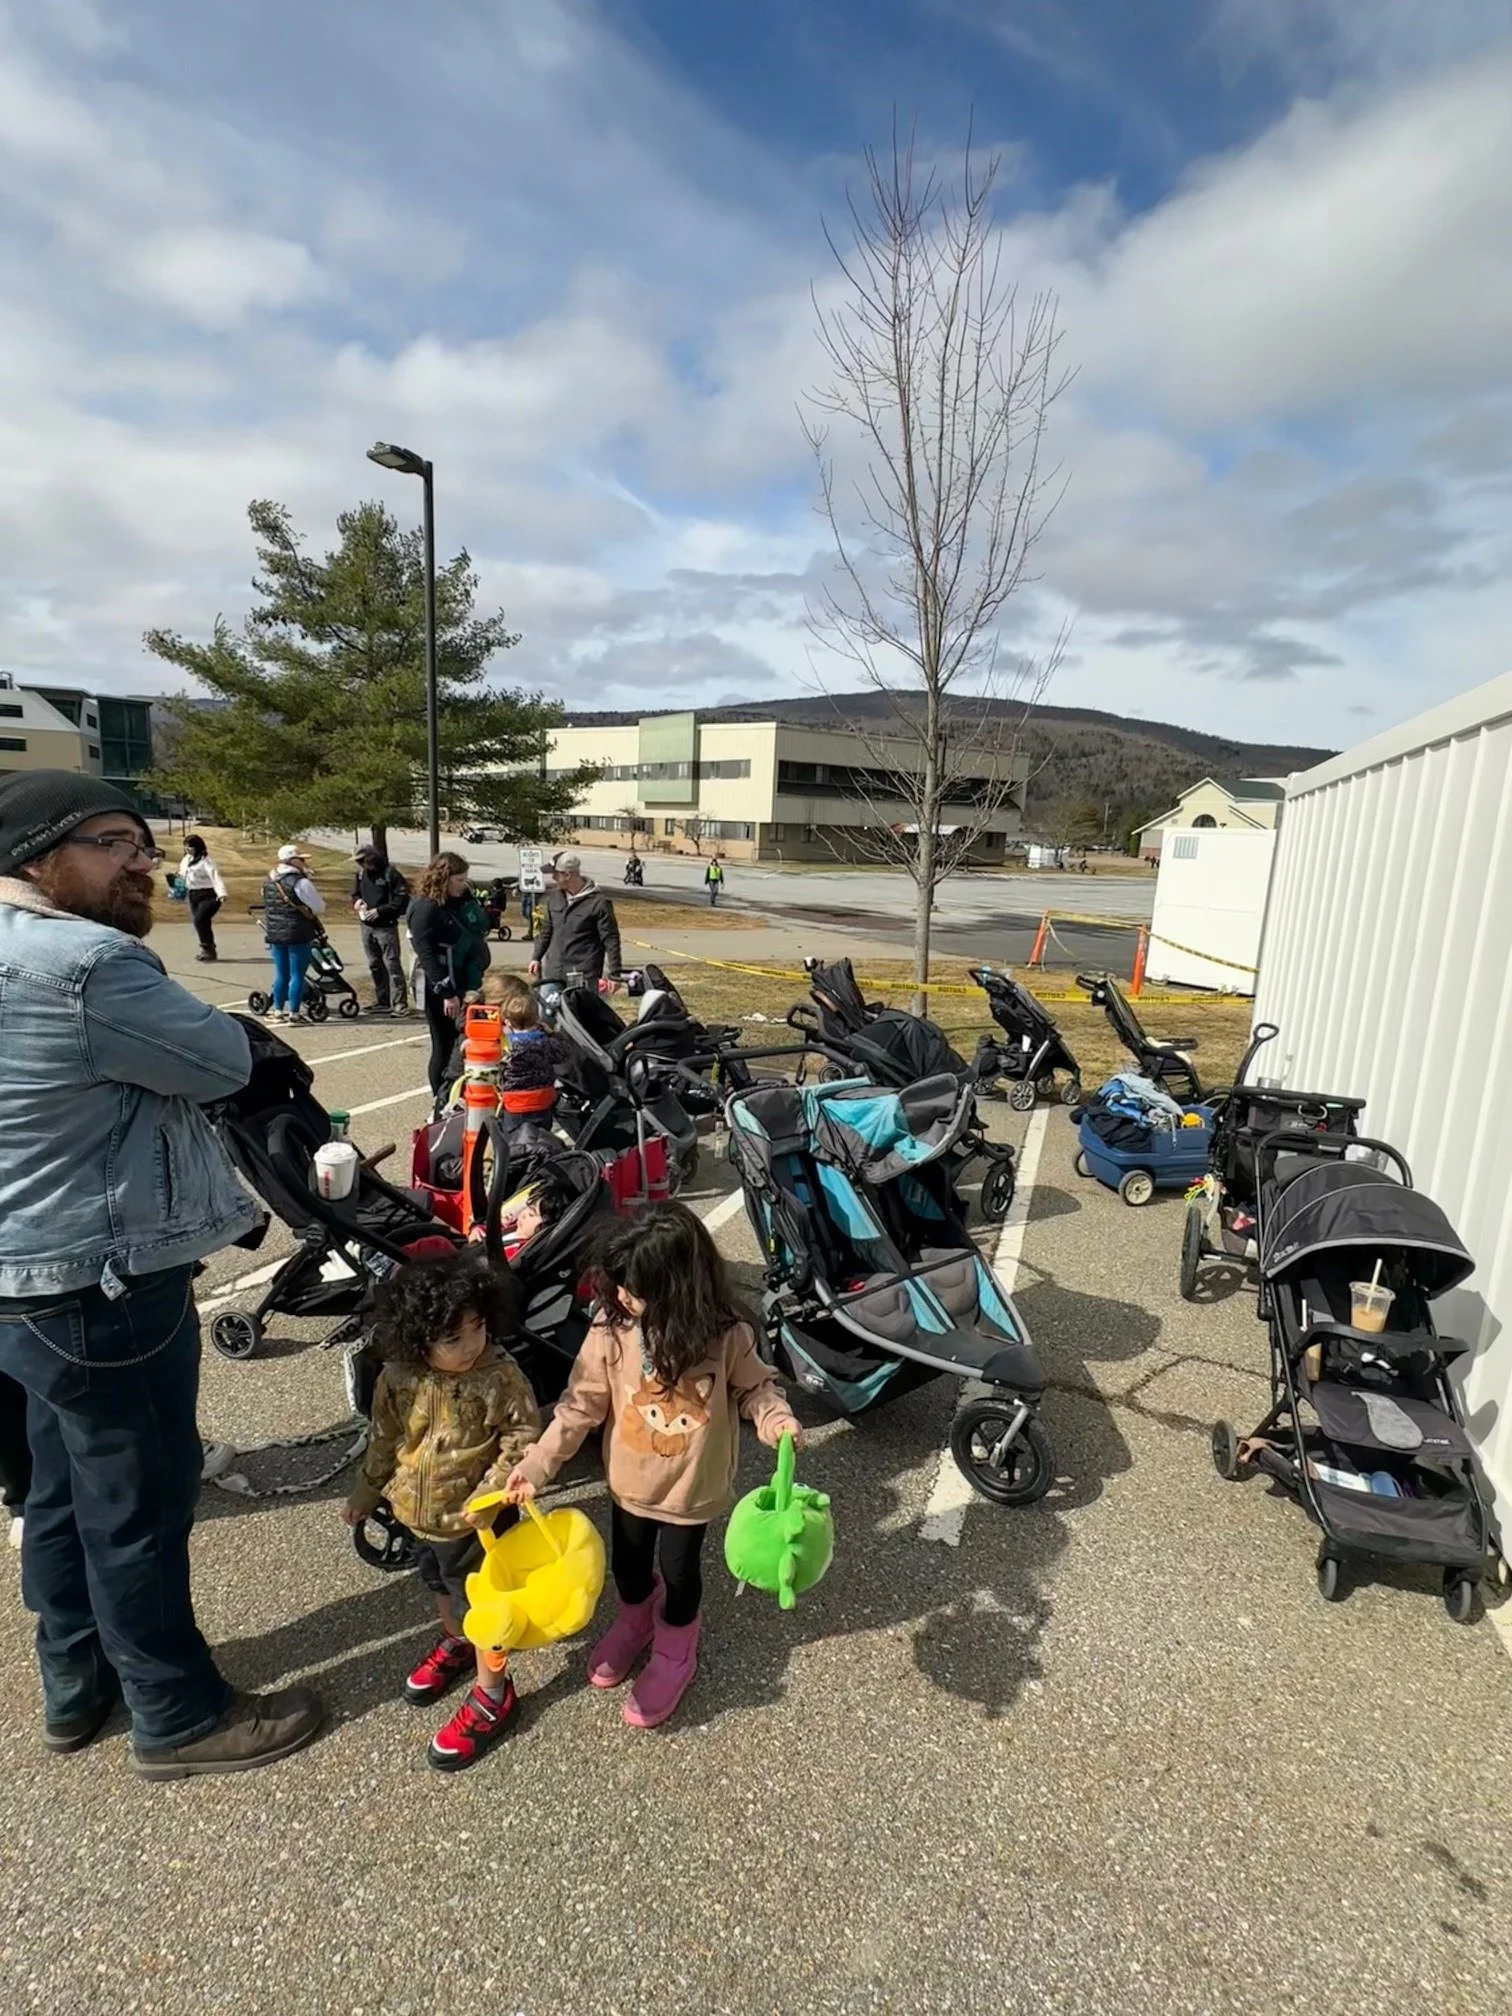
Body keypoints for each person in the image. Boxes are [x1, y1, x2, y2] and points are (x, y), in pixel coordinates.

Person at [0, 771, 322, 1775]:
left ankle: (75, 1683)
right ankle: (178, 1713)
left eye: (143, 841)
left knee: (56, 1486)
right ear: (37, 857)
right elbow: (223, 1062)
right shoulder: (83, 962)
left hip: (21, 1276)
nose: (142, 861)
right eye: (110, 842)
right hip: (100, 1280)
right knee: (135, 1499)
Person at [505, 1203, 801, 1730]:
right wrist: (537, 1465)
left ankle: (675, 1645)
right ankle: (636, 1617)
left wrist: (774, 1418)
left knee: (681, 1570)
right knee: (630, 1565)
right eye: (617, 1285)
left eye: (633, 1290)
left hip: (693, 1488)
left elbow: (756, 1386)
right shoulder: (612, 1327)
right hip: (628, 1483)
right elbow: (579, 1405)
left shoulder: (726, 1335)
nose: (621, 1297)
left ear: (679, 1290)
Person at [343, 1248, 540, 1772]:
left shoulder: (498, 1376)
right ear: (417, 1338)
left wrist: (494, 1492)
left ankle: (494, 1691)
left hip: (476, 1523)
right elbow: (384, 1437)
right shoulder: (399, 1377)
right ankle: (455, 1641)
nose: (472, 1344)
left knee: (488, 1608)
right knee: (437, 1585)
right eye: (453, 1338)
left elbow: (522, 1438)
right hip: (418, 1517)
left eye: (478, 1328)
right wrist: (369, 1487)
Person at [409, 851, 492, 1098]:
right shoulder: (425, 908)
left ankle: (457, 1093)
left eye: (465, 879)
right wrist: (446, 992)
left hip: (464, 980)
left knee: (463, 1040)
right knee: (443, 1044)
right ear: (442, 878)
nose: (463, 884)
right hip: (439, 986)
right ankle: (440, 1098)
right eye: (458, 880)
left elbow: (479, 924)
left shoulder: (456, 901)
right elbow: (426, 954)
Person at [528, 853, 622, 992]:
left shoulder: (598, 903)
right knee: (546, 1013)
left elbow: (611, 940)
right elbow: (546, 931)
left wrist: (614, 974)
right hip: (552, 974)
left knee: (579, 1014)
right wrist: (536, 957)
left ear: (567, 875)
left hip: (583, 976)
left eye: (555, 874)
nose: (553, 878)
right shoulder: (554, 898)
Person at [260, 843, 325, 1025]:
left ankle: (278, 1011)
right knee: (297, 973)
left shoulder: (268, 880)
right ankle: (294, 1014)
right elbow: (319, 907)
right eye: (301, 859)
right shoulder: (300, 882)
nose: (303, 862)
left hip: (275, 931)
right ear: (292, 860)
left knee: (281, 974)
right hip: (297, 931)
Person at [351, 844, 411, 1017]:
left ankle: (399, 1003)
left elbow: (401, 901)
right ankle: (382, 1000)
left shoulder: (390, 873)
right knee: (375, 964)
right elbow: (355, 894)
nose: (361, 865)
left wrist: (380, 911)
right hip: (366, 926)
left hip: (385, 926)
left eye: (363, 861)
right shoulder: (361, 874)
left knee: (392, 964)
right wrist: (356, 902)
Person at [498, 991, 569, 1137]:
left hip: (514, 1104)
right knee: (541, 1137)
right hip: (541, 1102)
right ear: (537, 1020)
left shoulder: (506, 1046)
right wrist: (552, 1034)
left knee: (512, 1138)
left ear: (508, 1022)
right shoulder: (545, 1043)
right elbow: (564, 1052)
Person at [177, 833, 227, 962]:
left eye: (190, 847)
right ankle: (209, 950)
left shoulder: (206, 861)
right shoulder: (186, 859)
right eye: (186, 846)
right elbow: (183, 874)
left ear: (197, 847)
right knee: (203, 923)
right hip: (193, 894)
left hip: (209, 895)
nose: (188, 849)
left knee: (199, 920)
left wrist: (221, 894)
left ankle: (206, 948)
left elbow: (215, 877)